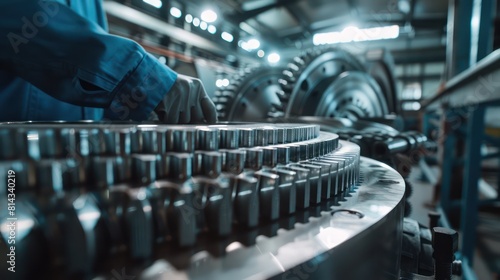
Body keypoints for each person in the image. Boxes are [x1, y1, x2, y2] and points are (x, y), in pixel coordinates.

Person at [0, 0, 217, 123]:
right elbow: (22, 23)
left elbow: (86, 81)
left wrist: (134, 110)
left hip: (76, 160)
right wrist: (146, 79)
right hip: (14, 165)